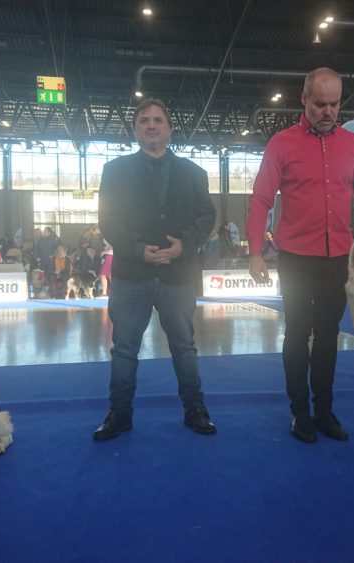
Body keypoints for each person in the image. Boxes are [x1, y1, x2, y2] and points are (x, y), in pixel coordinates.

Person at [246, 67, 354, 443]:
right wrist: (255, 253)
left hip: (337, 256)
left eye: (335, 104)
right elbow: (261, 199)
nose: (328, 111)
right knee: (297, 333)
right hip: (295, 255)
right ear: (304, 100)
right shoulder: (281, 143)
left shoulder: (352, 144)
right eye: (320, 103)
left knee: (328, 335)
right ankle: (300, 413)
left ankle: (324, 410)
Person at [94, 98, 217, 440]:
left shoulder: (194, 173)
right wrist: (136, 250)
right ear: (136, 129)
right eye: (144, 120)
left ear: (169, 129)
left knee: (184, 347)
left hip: (178, 275)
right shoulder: (114, 171)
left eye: (158, 120)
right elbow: (107, 220)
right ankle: (119, 414)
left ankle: (195, 409)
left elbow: (207, 216)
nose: (151, 125)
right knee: (124, 349)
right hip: (131, 275)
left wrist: (185, 245)